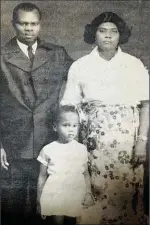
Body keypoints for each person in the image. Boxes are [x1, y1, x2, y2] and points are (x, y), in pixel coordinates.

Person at [61, 12, 149, 225]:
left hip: (128, 144)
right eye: (102, 31)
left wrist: (142, 142)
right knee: (93, 196)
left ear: (121, 35)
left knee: (126, 196)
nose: (108, 36)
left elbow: (146, 104)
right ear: (94, 34)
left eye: (114, 32)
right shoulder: (80, 65)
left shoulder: (134, 64)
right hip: (93, 143)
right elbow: (69, 106)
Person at [0, 3, 73, 225]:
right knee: (13, 207)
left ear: (40, 25)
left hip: (49, 142)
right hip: (14, 144)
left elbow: (83, 77)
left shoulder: (57, 54)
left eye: (33, 24)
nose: (28, 29)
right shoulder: (2, 56)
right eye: (23, 23)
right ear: (13, 25)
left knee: (49, 206)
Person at [37, 105, 94, 225]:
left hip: (75, 192)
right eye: (66, 125)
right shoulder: (48, 149)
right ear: (55, 127)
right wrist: (39, 199)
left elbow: (86, 174)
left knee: (74, 221)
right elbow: (42, 176)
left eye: (75, 125)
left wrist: (88, 192)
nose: (71, 129)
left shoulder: (81, 149)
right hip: (55, 193)